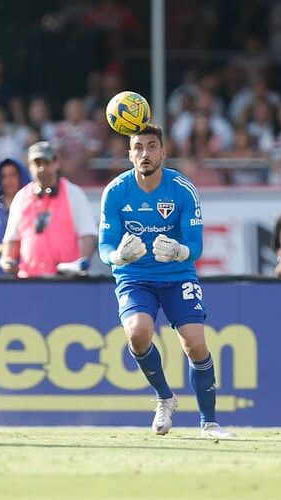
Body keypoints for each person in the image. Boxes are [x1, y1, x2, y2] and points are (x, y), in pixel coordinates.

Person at [98, 124, 235, 439]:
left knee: (195, 343)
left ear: (163, 151)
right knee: (137, 333)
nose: (145, 154)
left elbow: (196, 245)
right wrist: (117, 256)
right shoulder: (116, 191)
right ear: (129, 154)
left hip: (176, 275)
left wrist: (180, 251)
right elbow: (105, 246)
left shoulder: (182, 189)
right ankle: (164, 397)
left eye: (151, 146)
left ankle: (209, 424)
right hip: (135, 276)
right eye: (138, 148)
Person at [0, 141, 97, 278]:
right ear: (29, 166)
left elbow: (87, 235)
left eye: (46, 163)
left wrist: (81, 262)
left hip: (66, 280)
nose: (42, 168)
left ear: (56, 163)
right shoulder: (21, 197)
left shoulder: (74, 193)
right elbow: (12, 240)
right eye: (37, 164)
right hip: (29, 279)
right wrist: (7, 261)